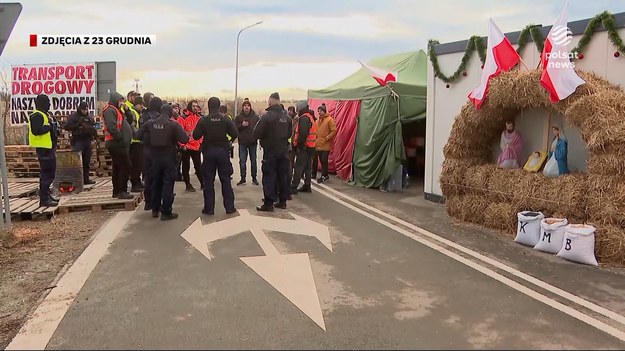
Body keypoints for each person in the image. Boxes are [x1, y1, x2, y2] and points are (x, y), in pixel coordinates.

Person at [137, 104, 189, 220]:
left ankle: (155, 209)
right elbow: (184, 139)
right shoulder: (173, 125)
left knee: (156, 183)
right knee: (168, 184)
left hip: (154, 158)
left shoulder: (150, 123)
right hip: (169, 158)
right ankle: (166, 212)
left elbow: (138, 135)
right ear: (170, 113)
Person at [193, 97, 238, 215]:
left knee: (208, 181)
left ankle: (209, 209)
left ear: (208, 106)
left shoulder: (204, 120)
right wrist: (229, 141)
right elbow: (235, 133)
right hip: (223, 152)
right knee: (226, 180)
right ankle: (229, 207)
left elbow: (196, 136)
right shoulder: (225, 119)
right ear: (219, 107)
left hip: (208, 153)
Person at [254, 92, 292, 212]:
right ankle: (282, 201)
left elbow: (256, 133)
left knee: (269, 176)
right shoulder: (287, 117)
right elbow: (290, 134)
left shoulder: (267, 116)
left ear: (270, 102)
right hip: (284, 150)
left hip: (270, 150)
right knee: (283, 176)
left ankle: (269, 203)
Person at [29, 94, 60, 206]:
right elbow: (36, 130)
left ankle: (46, 195)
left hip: (48, 147)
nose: (49, 105)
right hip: (43, 148)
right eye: (47, 103)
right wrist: (50, 126)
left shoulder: (43, 114)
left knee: (50, 172)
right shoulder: (37, 115)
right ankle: (44, 199)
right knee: (47, 173)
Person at [103, 91, 133, 199]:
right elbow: (112, 127)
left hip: (117, 143)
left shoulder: (118, 110)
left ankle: (116, 191)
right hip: (115, 142)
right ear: (116, 100)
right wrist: (120, 138)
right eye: (120, 100)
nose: (122, 103)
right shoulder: (110, 110)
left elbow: (129, 120)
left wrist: (127, 110)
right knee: (126, 166)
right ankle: (122, 191)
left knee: (117, 167)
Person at [63, 101, 97, 185]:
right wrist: (78, 124)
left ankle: (86, 179)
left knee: (86, 161)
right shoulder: (74, 117)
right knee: (77, 162)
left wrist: (93, 131)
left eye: (86, 110)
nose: (85, 111)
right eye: (83, 110)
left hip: (87, 140)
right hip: (78, 140)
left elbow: (94, 125)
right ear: (80, 109)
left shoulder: (89, 116)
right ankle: (77, 179)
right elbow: (66, 126)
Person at [139, 96, 163, 210]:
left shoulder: (144, 116)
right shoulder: (160, 117)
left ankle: (148, 202)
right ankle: (157, 203)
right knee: (158, 177)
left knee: (148, 177)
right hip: (158, 150)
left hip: (146, 149)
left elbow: (139, 134)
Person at [290, 100, 317, 194]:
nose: (296, 110)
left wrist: (299, 146)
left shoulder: (304, 118)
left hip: (304, 147)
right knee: (307, 167)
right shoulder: (310, 116)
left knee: (299, 167)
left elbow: (303, 133)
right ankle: (307, 185)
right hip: (310, 147)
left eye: (297, 108)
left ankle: (293, 187)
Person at [179, 100, 204, 192]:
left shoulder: (198, 118)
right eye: (193, 106)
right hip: (186, 146)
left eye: (196, 106)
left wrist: (200, 142)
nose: (195, 108)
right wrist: (182, 145)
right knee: (186, 166)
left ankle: (202, 183)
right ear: (190, 107)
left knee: (198, 166)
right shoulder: (183, 118)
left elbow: (201, 132)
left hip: (196, 145)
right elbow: (179, 132)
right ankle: (188, 184)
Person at [234, 98, 260, 186]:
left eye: (248, 106)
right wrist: (242, 125)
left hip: (253, 142)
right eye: (245, 106)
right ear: (242, 107)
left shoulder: (255, 117)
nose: (247, 107)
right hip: (243, 142)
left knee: (253, 161)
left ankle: (254, 178)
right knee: (242, 161)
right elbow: (234, 128)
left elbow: (259, 128)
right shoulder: (238, 117)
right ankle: (243, 178)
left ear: (250, 107)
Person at [124, 91, 144, 192]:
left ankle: (137, 181)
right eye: (135, 96)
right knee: (135, 163)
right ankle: (135, 183)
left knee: (138, 163)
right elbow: (131, 125)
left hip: (137, 140)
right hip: (133, 141)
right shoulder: (129, 108)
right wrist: (138, 134)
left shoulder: (135, 110)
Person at [311, 103, 336, 183]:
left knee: (324, 160)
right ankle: (316, 174)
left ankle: (324, 175)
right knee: (317, 160)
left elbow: (334, 131)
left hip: (325, 144)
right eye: (318, 111)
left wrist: (327, 138)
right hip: (317, 144)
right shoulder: (317, 121)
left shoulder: (330, 120)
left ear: (324, 111)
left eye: (321, 111)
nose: (319, 112)